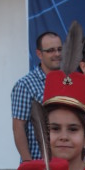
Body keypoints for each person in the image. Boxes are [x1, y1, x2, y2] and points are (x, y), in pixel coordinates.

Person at [11, 31, 62, 161]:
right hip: (38, 161)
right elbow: (18, 127)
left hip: (65, 163)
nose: (57, 54)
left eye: (59, 49)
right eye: (51, 50)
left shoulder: (68, 81)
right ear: (39, 54)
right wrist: (28, 163)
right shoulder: (25, 85)